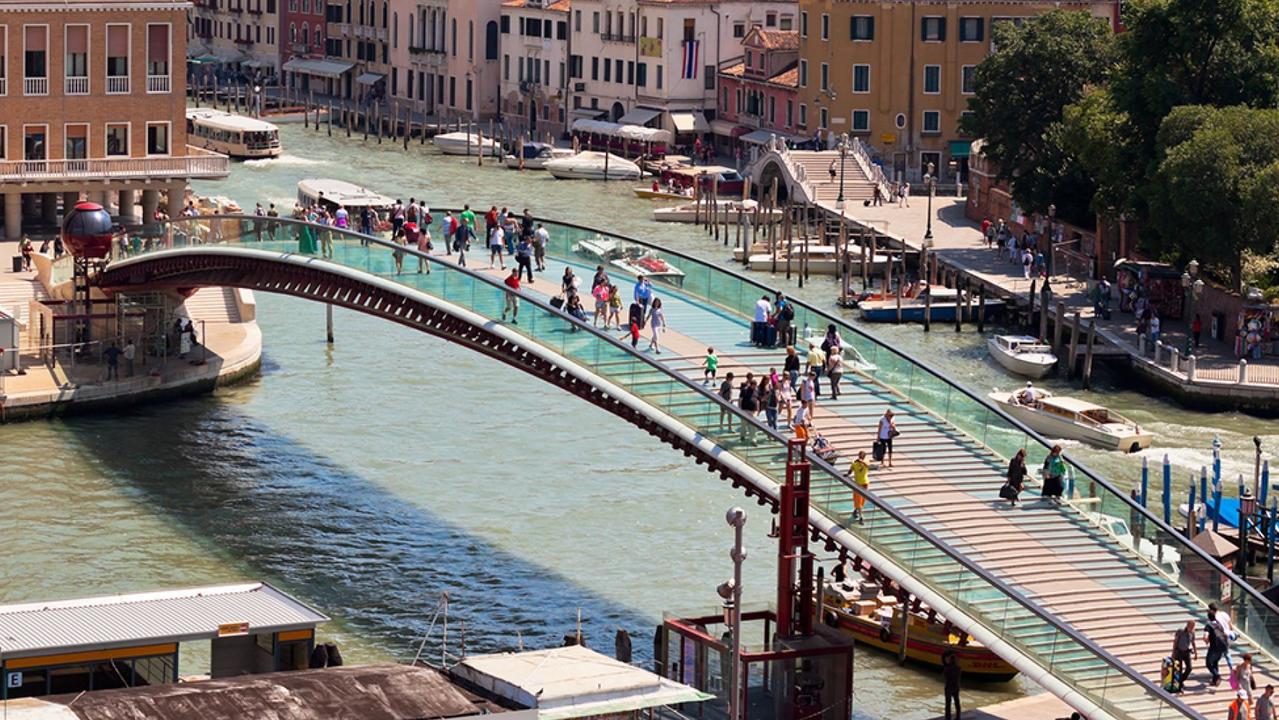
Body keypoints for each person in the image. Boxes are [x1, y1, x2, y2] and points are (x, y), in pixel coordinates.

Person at [1206, 608, 1231, 686]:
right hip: (1221, 647)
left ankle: (1217, 675)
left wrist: (1206, 641)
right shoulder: (1219, 624)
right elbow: (1224, 634)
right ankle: (1215, 680)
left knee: (1208, 663)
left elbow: (1205, 636)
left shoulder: (1208, 625)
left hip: (1213, 647)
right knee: (1215, 662)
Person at [1171, 620, 1196, 686]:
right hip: (1179, 651)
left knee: (1189, 668)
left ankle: (1180, 680)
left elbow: (1193, 642)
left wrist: (1196, 653)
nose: (1192, 628)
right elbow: (1175, 642)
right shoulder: (1180, 631)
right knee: (1179, 669)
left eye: (1193, 627)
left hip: (1186, 652)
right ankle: (1179, 683)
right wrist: (1173, 653)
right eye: (1191, 627)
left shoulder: (1192, 633)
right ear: (1187, 626)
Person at [849, 451, 870, 522]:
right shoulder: (855, 463)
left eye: (863, 457)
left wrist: (862, 462)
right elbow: (850, 470)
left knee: (862, 500)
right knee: (858, 500)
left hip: (865, 483)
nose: (861, 458)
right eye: (860, 456)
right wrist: (847, 474)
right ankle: (861, 517)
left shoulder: (866, 462)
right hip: (858, 484)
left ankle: (856, 510)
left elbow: (868, 465)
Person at [738, 373, 758, 444]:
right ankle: (742, 436)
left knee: (753, 426)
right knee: (744, 424)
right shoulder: (744, 390)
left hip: (753, 411)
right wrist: (740, 408)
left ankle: (753, 440)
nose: (755, 387)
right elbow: (740, 399)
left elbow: (757, 400)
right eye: (754, 386)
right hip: (745, 410)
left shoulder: (756, 391)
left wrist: (757, 409)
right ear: (751, 385)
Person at [942, 650, 961, 720]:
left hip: (949, 687)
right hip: (956, 686)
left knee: (948, 704)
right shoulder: (958, 668)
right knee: (957, 702)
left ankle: (948, 718)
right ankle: (958, 716)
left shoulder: (947, 669)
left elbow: (945, 676)